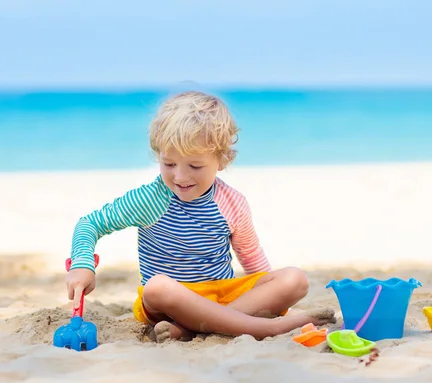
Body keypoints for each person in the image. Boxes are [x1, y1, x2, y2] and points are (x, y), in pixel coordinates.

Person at [65, 91, 334, 342]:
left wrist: (269, 292)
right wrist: (82, 264)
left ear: (223, 159)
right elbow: (90, 224)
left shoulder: (232, 202)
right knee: (157, 287)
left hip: (223, 297)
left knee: (294, 279)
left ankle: (192, 329)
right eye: (169, 164)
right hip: (171, 304)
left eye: (195, 165)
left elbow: (252, 258)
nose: (180, 177)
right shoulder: (150, 199)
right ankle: (266, 327)